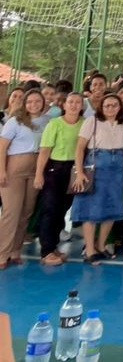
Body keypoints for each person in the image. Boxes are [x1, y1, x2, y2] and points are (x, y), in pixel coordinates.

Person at [69, 94, 123, 265]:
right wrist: (80, 172)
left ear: (119, 107)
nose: (110, 108)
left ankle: (101, 246)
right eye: (107, 105)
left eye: (114, 105)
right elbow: (80, 148)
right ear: (101, 107)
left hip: (116, 169)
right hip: (96, 167)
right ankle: (89, 249)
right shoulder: (92, 122)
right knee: (91, 208)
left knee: (113, 207)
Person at [33, 92, 84, 266]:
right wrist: (39, 173)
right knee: (50, 208)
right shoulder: (54, 124)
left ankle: (53, 246)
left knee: (62, 208)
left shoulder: (85, 124)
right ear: (64, 105)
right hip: (56, 168)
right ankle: (46, 251)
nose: (74, 105)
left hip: (74, 170)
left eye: (78, 102)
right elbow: (45, 151)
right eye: (70, 102)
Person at [0, 90, 48, 269]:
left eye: (37, 101)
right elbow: (2, 147)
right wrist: (2, 171)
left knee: (26, 212)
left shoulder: (47, 122)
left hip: (35, 168)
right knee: (11, 212)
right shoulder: (15, 121)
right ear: (25, 104)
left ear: (43, 103)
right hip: (15, 167)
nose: (33, 104)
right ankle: (2, 253)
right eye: (30, 101)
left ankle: (15, 251)